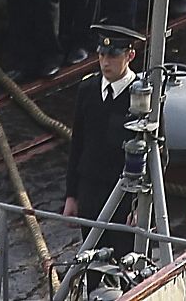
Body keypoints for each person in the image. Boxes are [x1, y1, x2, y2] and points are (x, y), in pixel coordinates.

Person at [62, 24, 146, 255]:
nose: (105, 62)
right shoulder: (88, 89)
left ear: (130, 55)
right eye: (101, 55)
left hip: (124, 196)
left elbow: (159, 155)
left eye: (113, 56)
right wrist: (72, 195)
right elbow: (77, 145)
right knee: (91, 259)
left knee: (124, 262)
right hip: (91, 190)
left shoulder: (141, 99)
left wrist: (141, 205)